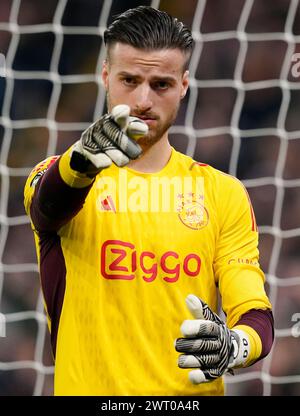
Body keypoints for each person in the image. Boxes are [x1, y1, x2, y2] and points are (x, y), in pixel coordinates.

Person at [24, 6, 274, 396]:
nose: (142, 100)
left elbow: (255, 313)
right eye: (129, 80)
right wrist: (80, 163)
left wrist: (234, 345)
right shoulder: (61, 176)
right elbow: (47, 208)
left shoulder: (222, 193)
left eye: (160, 84)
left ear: (184, 85)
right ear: (106, 76)